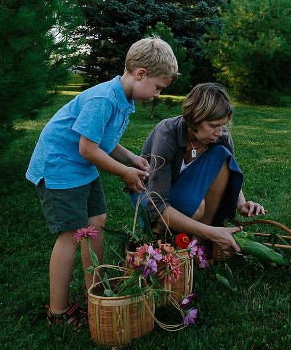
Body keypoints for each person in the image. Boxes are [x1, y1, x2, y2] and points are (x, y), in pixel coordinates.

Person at [26, 36, 178, 328]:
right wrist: (123, 172)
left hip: (81, 168)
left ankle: (94, 288)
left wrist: (131, 158)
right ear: (141, 74)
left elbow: (104, 141)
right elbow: (87, 148)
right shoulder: (103, 99)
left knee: (96, 219)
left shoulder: (124, 99)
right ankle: (57, 311)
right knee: (70, 234)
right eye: (158, 87)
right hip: (60, 168)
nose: (158, 94)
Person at [131, 82, 265, 259]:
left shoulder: (221, 137)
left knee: (222, 155)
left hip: (187, 190)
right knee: (195, 208)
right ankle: (161, 234)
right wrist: (211, 232)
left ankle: (198, 244)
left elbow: (227, 172)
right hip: (149, 194)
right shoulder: (167, 134)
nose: (219, 132)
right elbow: (158, 204)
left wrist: (241, 203)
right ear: (194, 119)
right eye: (213, 125)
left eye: (222, 125)